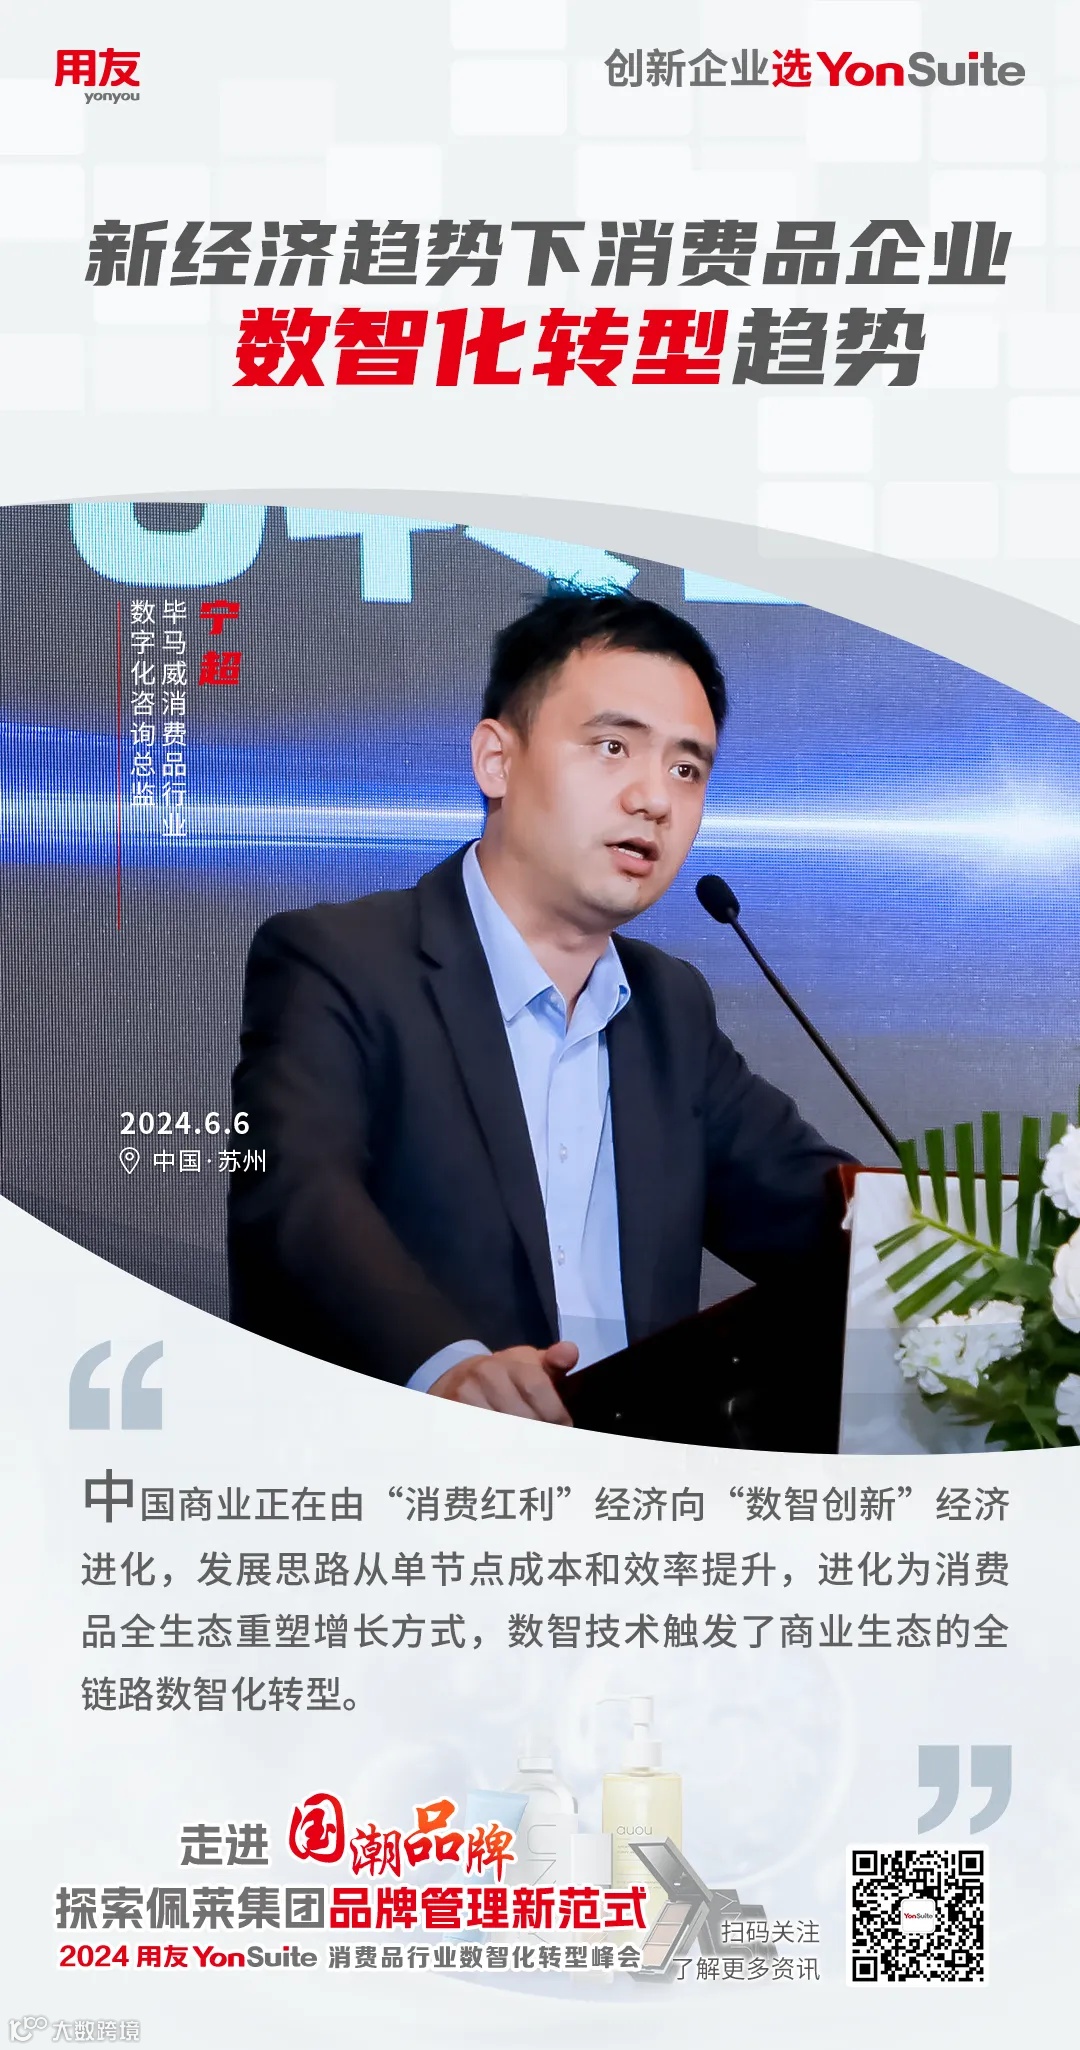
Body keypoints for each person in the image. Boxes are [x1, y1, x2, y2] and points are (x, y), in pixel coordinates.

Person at [227, 587, 851, 1427]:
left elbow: (818, 1214)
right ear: (497, 760)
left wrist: (1000, 1257)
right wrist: (449, 1367)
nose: (655, 799)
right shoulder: (342, 962)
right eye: (612, 747)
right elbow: (298, 1203)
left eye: (686, 769)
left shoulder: (670, 1008)